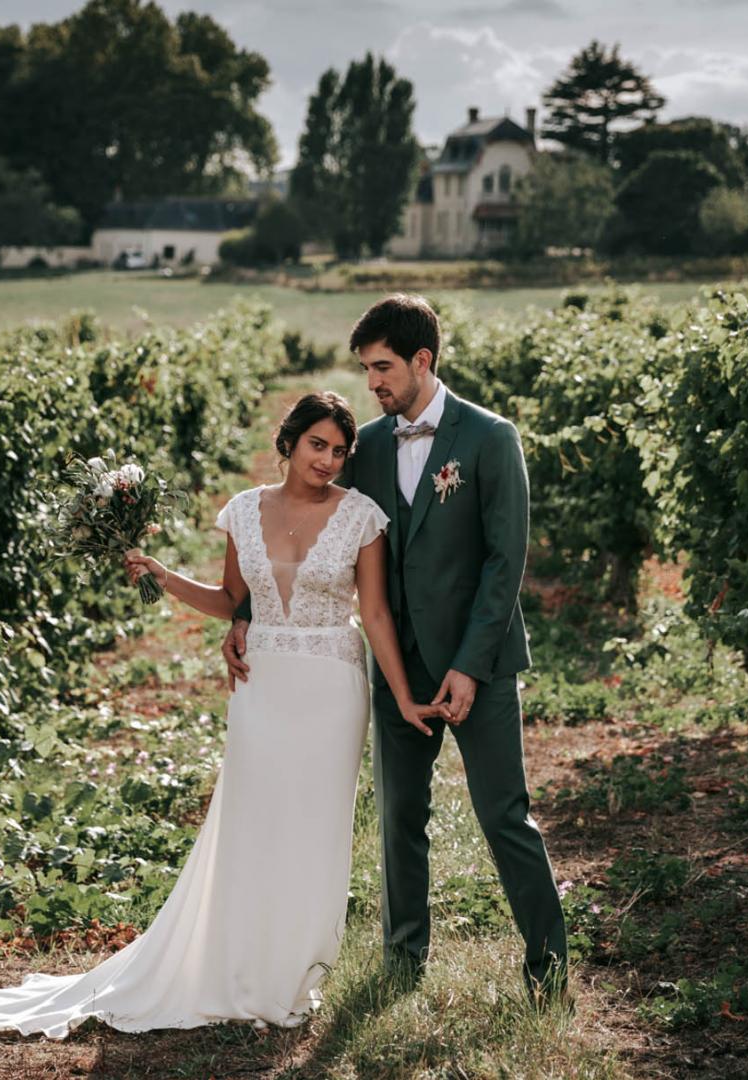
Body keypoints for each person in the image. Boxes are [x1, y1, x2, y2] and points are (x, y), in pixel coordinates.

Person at [0, 390, 445, 1038]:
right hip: (262, 686)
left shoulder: (361, 516)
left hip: (333, 686)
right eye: (317, 445)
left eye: (339, 450)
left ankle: (293, 976)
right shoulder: (244, 512)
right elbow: (229, 600)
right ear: (289, 442)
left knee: (315, 829)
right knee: (253, 824)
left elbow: (378, 615)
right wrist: (162, 575)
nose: (328, 460)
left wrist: (403, 695)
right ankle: (240, 965)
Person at [224, 293, 571, 1005]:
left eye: (382, 367)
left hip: (479, 664)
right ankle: (403, 962)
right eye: (365, 369)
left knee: (504, 815)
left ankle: (549, 969)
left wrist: (470, 665)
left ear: (423, 360)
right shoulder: (371, 447)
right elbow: (313, 531)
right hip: (394, 669)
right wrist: (244, 607)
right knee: (399, 819)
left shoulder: (489, 438)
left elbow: (507, 562)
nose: (373, 383)